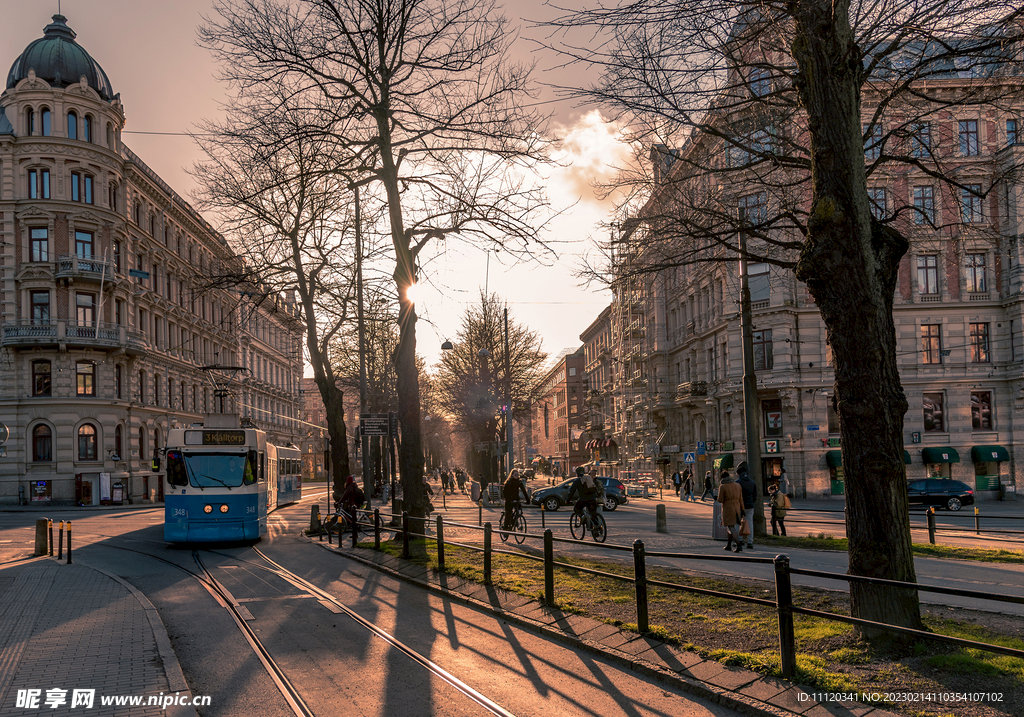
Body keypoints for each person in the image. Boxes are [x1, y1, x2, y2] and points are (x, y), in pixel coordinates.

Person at [716, 470, 744, 552]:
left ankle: (738, 545)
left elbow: (720, 500)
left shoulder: (723, 486)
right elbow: (741, 499)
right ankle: (728, 545)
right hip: (737, 507)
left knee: (731, 527)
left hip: (728, 508)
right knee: (731, 526)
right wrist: (742, 509)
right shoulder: (738, 485)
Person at [736, 461, 757, 550]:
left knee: (737, 523)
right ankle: (750, 542)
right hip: (750, 505)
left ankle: (739, 540)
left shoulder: (737, 482)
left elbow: (736, 495)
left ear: (738, 473)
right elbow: (755, 495)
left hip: (740, 506)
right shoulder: (752, 482)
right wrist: (752, 502)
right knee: (750, 524)